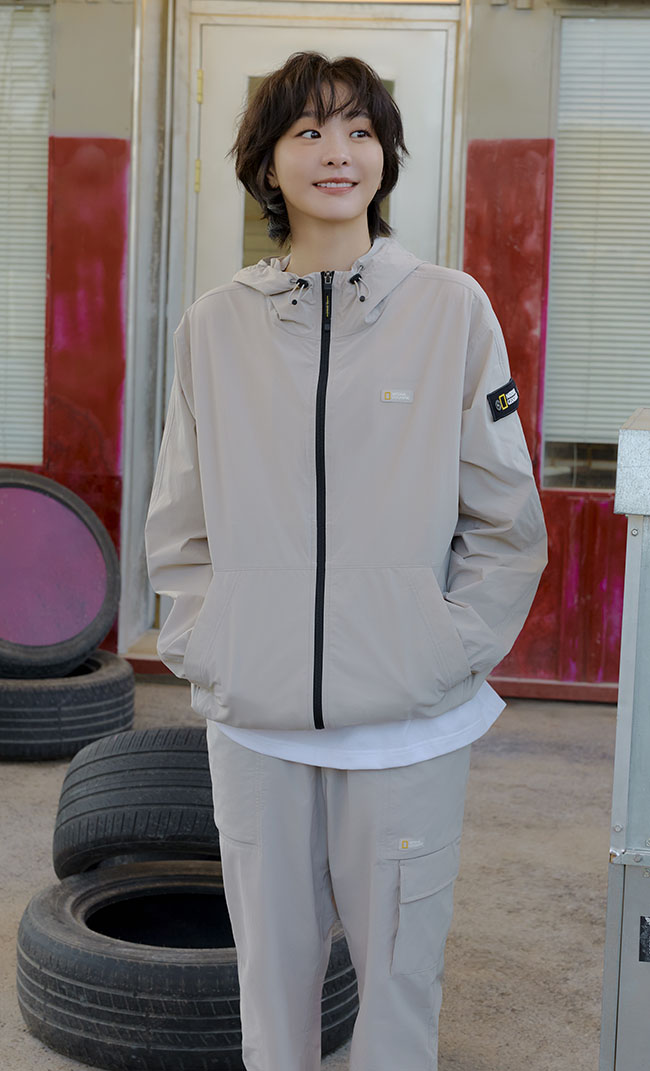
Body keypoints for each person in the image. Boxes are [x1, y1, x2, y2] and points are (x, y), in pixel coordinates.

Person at [145, 51, 547, 1071]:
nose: (339, 152)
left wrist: (439, 651)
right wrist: (211, 646)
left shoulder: (452, 310)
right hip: (257, 726)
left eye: (361, 131)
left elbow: (505, 520)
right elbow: (179, 526)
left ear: (386, 157)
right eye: (310, 131)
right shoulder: (214, 326)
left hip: (409, 728)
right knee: (271, 993)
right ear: (267, 163)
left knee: (400, 993)